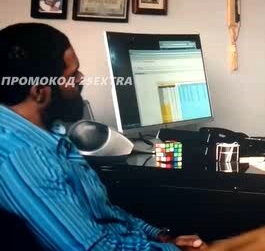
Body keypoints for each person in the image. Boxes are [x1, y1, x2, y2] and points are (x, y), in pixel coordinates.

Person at [0, 23, 207, 250]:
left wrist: (160, 237)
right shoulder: (24, 156)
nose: (81, 78)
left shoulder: (49, 133)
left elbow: (103, 213)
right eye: (72, 75)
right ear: (39, 92)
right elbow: (96, 248)